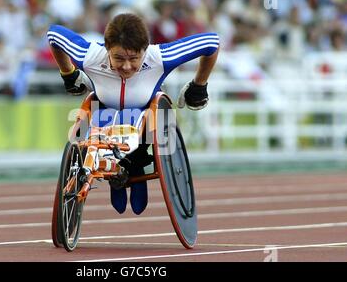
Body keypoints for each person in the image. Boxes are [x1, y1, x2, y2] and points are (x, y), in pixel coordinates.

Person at [47, 13, 219, 215]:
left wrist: (199, 85)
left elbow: (211, 42)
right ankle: (113, 166)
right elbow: (53, 35)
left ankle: (134, 164)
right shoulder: (91, 56)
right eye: (118, 58)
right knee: (91, 125)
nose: (126, 66)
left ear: (145, 51)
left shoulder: (159, 57)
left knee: (141, 129)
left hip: (144, 119)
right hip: (102, 116)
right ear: (107, 49)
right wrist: (68, 73)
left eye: (134, 59)